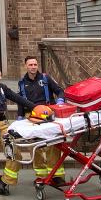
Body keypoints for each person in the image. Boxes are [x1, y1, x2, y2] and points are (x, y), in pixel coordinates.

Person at [0, 66, 35, 195]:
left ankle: (5, 180)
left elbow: (17, 98)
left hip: (3, 124)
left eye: (0, 75)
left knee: (15, 153)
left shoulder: (2, 88)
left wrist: (35, 107)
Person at [18, 56, 67, 185]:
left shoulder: (46, 79)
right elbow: (20, 102)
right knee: (35, 146)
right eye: (30, 65)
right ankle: (41, 176)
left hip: (48, 114)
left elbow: (60, 91)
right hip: (32, 117)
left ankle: (57, 175)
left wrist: (60, 100)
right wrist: (19, 116)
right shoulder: (22, 83)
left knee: (53, 144)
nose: (33, 67)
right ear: (25, 66)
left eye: (35, 64)